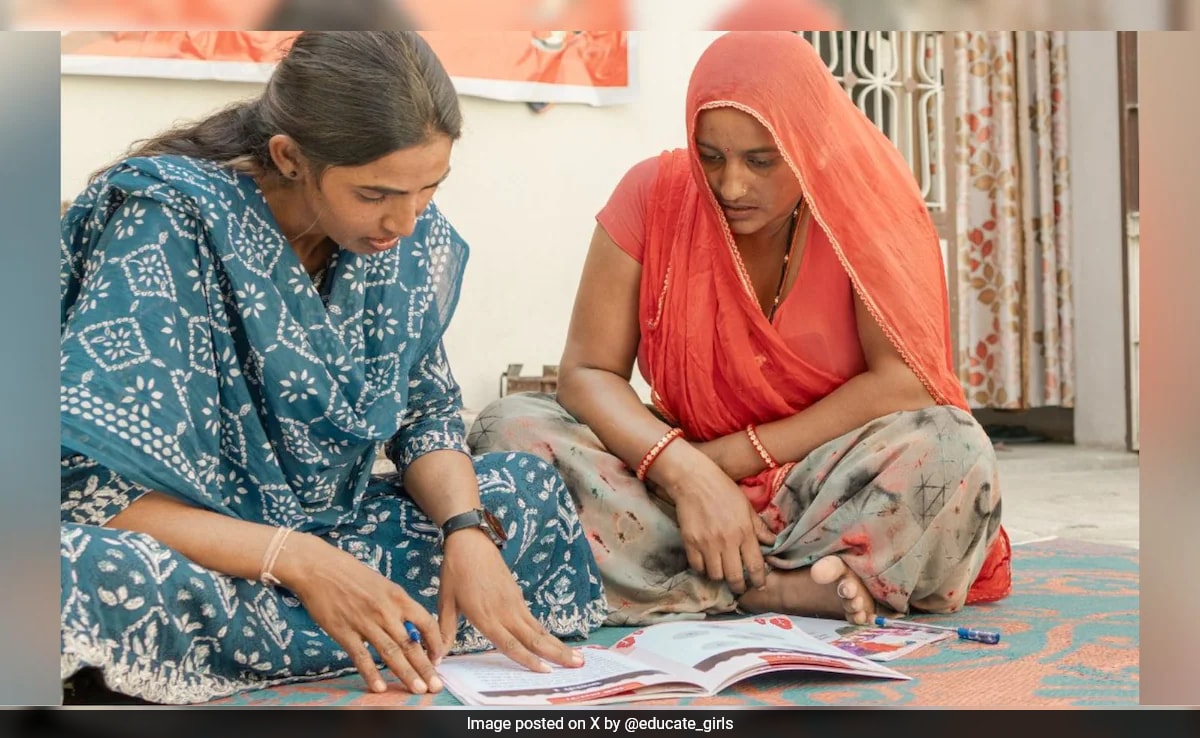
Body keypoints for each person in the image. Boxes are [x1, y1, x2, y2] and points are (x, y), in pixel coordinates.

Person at [59, 31, 606, 705]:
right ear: (290, 158)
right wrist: (297, 560)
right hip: (200, 549)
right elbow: (88, 492)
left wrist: (466, 532)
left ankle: (346, 615)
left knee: (521, 492)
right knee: (70, 572)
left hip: (333, 534)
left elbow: (425, 417)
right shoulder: (170, 222)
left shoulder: (399, 241)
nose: (404, 222)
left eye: (429, 188)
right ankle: (352, 616)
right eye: (376, 193)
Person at [469, 31, 1011, 627]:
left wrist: (731, 460)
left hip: (819, 476)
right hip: (675, 480)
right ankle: (776, 585)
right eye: (711, 157)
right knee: (509, 427)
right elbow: (587, 372)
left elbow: (904, 382)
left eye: (761, 161)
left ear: (810, 143)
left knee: (955, 449)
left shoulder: (864, 207)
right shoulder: (651, 196)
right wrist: (688, 474)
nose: (731, 187)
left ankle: (695, 580)